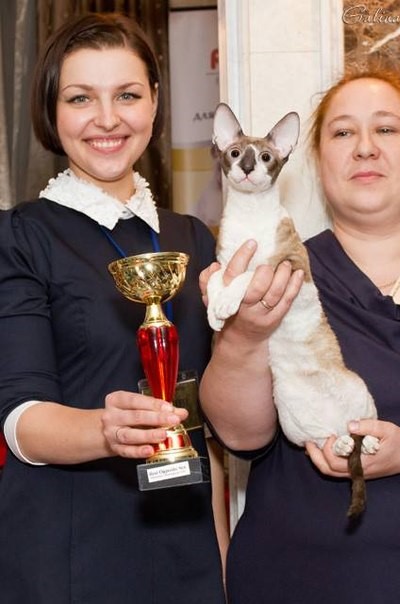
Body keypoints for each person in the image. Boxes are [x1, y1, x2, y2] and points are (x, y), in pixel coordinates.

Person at [198, 68, 400, 603]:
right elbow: (239, 436)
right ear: (315, 160)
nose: (364, 147)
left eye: (386, 129)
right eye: (342, 132)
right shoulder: (274, 274)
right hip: (295, 580)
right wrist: (244, 337)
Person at [0, 13, 226, 604]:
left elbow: (207, 427)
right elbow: (20, 420)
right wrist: (106, 430)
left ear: (155, 102)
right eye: (81, 98)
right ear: (51, 111)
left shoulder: (193, 239)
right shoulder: (20, 236)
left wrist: (222, 562)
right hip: (67, 549)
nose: (107, 119)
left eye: (127, 94)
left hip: (185, 545)